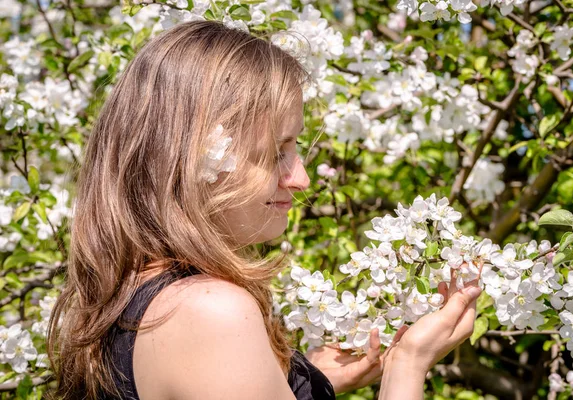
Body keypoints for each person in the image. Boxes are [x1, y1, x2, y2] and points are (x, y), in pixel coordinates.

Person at [47, 20, 482, 400]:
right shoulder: (209, 313)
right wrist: (409, 363)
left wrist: (306, 380)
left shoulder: (132, 295)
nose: (301, 179)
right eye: (275, 152)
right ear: (193, 159)